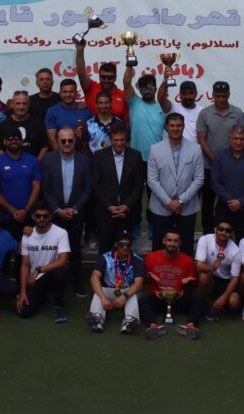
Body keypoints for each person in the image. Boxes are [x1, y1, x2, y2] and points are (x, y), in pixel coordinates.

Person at [41, 126, 92, 294]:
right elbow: (45, 189)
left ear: (75, 141)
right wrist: (57, 210)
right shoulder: (48, 160)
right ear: (57, 141)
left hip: (75, 214)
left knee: (75, 249)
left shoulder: (85, 160)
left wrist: (75, 209)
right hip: (55, 215)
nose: (67, 143)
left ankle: (76, 282)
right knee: (53, 251)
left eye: (70, 140)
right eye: (63, 141)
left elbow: (87, 189)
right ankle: (54, 285)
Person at [147, 112, 205, 256]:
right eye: (172, 125)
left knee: (186, 248)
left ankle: (186, 271)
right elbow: (152, 180)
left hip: (187, 207)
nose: (175, 128)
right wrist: (169, 202)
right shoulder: (155, 149)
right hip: (161, 206)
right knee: (159, 247)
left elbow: (199, 179)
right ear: (166, 127)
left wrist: (180, 201)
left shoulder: (195, 149)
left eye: (179, 125)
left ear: (184, 127)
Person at [196, 81, 244, 232]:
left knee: (229, 201)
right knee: (208, 202)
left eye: (224, 96)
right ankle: (207, 233)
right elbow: (201, 139)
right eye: (218, 96)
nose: (221, 99)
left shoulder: (237, 113)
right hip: (209, 166)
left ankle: (228, 232)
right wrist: (215, 159)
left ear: (228, 95)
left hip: (232, 167)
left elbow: (241, 137)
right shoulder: (205, 113)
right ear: (213, 95)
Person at [139, 230, 206, 340]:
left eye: (175, 241)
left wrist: (190, 281)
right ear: (164, 241)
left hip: (178, 298)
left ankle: (190, 326)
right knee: (142, 302)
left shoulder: (188, 260)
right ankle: (153, 326)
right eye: (169, 240)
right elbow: (143, 280)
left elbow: (192, 282)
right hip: (158, 297)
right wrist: (149, 275)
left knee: (199, 301)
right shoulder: (151, 257)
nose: (172, 244)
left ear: (180, 243)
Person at [91, 123, 145, 253]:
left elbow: (138, 185)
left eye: (122, 140)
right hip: (106, 213)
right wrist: (109, 206)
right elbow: (96, 185)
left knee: (126, 252)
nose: (119, 143)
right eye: (116, 140)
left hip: (127, 213)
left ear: (126, 140)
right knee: (105, 251)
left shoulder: (136, 156)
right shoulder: (99, 156)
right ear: (110, 139)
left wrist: (126, 205)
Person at [0, 123, 43, 243]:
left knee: (27, 251)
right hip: (6, 217)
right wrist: (13, 211)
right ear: (4, 142)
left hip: (28, 216)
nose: (13, 141)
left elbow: (36, 187)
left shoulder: (32, 161)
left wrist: (25, 210)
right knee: (7, 251)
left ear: (21, 141)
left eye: (17, 138)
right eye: (10, 139)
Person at [17, 204, 70, 323]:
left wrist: (39, 269)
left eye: (45, 216)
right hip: (34, 280)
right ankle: (42, 297)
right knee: (24, 312)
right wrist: (23, 292)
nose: (42, 219)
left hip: (51, 274)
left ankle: (58, 306)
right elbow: (25, 265)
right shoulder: (27, 236)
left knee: (60, 272)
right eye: (38, 216)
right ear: (33, 217)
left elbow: (62, 261)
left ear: (50, 217)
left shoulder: (61, 233)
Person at [87, 230, 145, 334]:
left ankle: (129, 321)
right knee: (99, 290)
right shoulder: (106, 257)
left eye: (128, 244)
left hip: (127, 292)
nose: (125, 247)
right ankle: (97, 318)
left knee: (134, 293)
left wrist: (123, 297)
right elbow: (94, 277)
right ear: (116, 244)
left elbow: (139, 283)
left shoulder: (137, 260)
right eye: (122, 244)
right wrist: (103, 298)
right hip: (109, 291)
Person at [210, 126, 244, 241]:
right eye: (235, 138)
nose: (238, 142)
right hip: (224, 208)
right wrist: (230, 201)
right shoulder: (219, 156)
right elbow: (215, 182)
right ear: (230, 138)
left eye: (242, 139)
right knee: (220, 242)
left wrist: (240, 202)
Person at [195, 221, 241, 320]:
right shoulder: (205, 240)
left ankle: (219, 304)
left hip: (225, 281)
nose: (224, 232)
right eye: (221, 229)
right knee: (204, 276)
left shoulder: (236, 251)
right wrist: (212, 267)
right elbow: (199, 266)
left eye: (227, 231)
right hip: (211, 277)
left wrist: (224, 297)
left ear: (230, 233)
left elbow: (235, 279)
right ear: (215, 229)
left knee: (234, 302)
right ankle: (205, 303)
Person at [74, 40, 128, 120]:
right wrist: (80, 50)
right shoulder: (91, 87)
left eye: (110, 78)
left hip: (115, 128)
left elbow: (126, 121)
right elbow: (81, 72)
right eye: (103, 77)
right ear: (99, 77)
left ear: (115, 78)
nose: (106, 80)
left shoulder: (122, 95)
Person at [123, 69, 165, 167]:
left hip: (157, 159)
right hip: (135, 159)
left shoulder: (163, 107)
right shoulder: (134, 102)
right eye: (143, 89)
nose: (146, 91)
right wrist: (130, 64)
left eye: (149, 88)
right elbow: (126, 83)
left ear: (155, 89)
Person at [0, 90, 48, 161]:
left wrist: (35, 164)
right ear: (12, 104)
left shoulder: (38, 124)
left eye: (24, 103)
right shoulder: (3, 126)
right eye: (18, 103)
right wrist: (9, 164)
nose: (21, 107)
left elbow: (45, 147)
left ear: (29, 104)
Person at [44, 79, 86, 151]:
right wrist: (61, 156)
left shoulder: (85, 110)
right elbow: (52, 140)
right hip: (60, 155)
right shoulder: (52, 112)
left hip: (81, 155)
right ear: (60, 93)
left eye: (71, 92)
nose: (68, 95)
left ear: (76, 93)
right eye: (65, 92)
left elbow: (90, 138)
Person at [158, 78, 203, 144]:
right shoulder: (173, 107)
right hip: (174, 148)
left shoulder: (202, 111)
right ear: (180, 94)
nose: (187, 97)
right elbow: (161, 99)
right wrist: (165, 80)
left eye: (191, 93)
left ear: (196, 94)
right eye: (184, 93)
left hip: (195, 149)